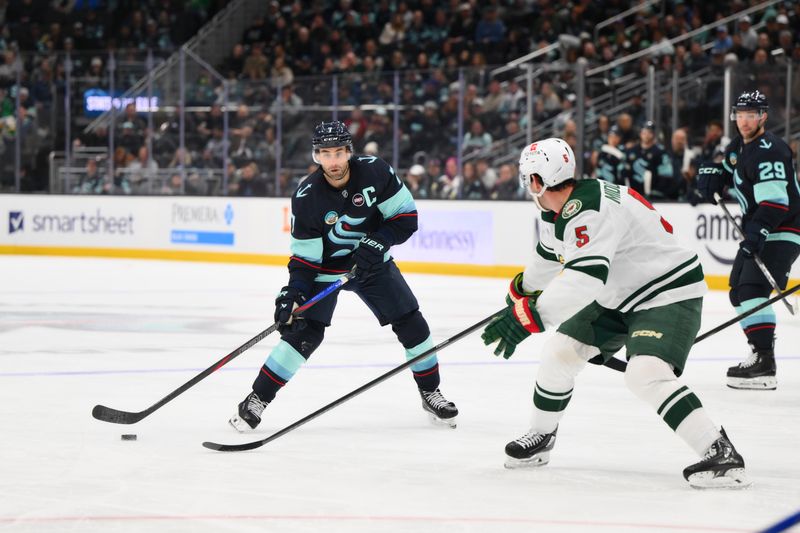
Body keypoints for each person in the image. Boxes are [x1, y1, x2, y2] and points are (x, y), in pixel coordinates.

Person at [481, 138, 749, 489]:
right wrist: (521, 292)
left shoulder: (589, 209)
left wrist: (530, 316)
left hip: (666, 292)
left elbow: (585, 278)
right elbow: (550, 257)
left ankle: (720, 452)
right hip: (619, 294)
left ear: (536, 180)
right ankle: (542, 436)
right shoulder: (557, 208)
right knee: (560, 352)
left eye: (527, 176)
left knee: (645, 372)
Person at [229, 120, 458, 432]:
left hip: (373, 264)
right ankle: (257, 399)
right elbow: (305, 259)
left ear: (349, 151)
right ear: (316, 156)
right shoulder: (307, 196)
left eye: (338, 152)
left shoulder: (376, 172)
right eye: (325, 154)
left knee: (410, 320)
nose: (333, 161)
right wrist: (292, 293)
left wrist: (377, 242)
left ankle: (430, 391)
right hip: (326, 271)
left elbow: (406, 219)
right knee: (304, 334)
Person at [695, 90, 800, 390]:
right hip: (763, 226)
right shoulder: (739, 146)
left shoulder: (770, 149)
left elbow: (776, 202)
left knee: (753, 288)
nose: (744, 120)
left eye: (751, 114)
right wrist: (713, 176)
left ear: (763, 116)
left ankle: (766, 363)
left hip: (784, 227)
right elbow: (730, 172)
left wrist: (757, 233)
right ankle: (759, 352)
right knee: (738, 291)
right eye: (739, 114)